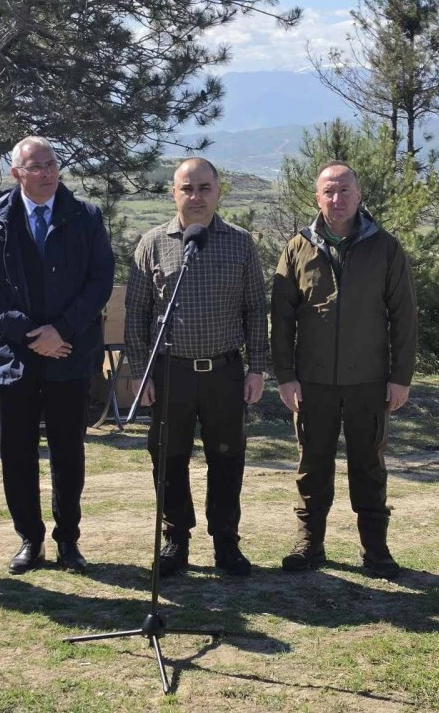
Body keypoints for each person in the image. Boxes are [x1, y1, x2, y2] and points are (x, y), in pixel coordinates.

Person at [0, 136, 115, 575]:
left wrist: (60, 330)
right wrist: (32, 334)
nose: (48, 173)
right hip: (13, 356)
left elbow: (100, 280)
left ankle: (69, 540)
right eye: (36, 167)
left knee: (69, 451)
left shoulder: (84, 216)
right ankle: (30, 540)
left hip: (68, 352)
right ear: (16, 174)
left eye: (52, 164)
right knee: (17, 452)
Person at [270, 161, 417, 579]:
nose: (337, 200)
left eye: (344, 191)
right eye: (329, 192)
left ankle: (376, 551)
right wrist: (285, 376)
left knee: (369, 465)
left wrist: (400, 377)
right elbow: (280, 319)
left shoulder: (385, 247)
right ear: (317, 197)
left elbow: (404, 317)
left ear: (359, 195)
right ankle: (309, 545)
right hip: (311, 383)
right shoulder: (298, 247)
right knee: (311, 467)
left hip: (368, 381)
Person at [125, 157, 267, 578]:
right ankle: (176, 540)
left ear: (219, 192)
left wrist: (257, 367)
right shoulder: (153, 243)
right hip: (171, 372)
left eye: (205, 188)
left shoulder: (240, 243)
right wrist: (140, 371)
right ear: (174, 193)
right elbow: (136, 313)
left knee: (227, 458)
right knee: (169, 458)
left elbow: (256, 308)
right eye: (187, 188)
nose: (196, 197)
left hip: (224, 372)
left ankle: (226, 543)